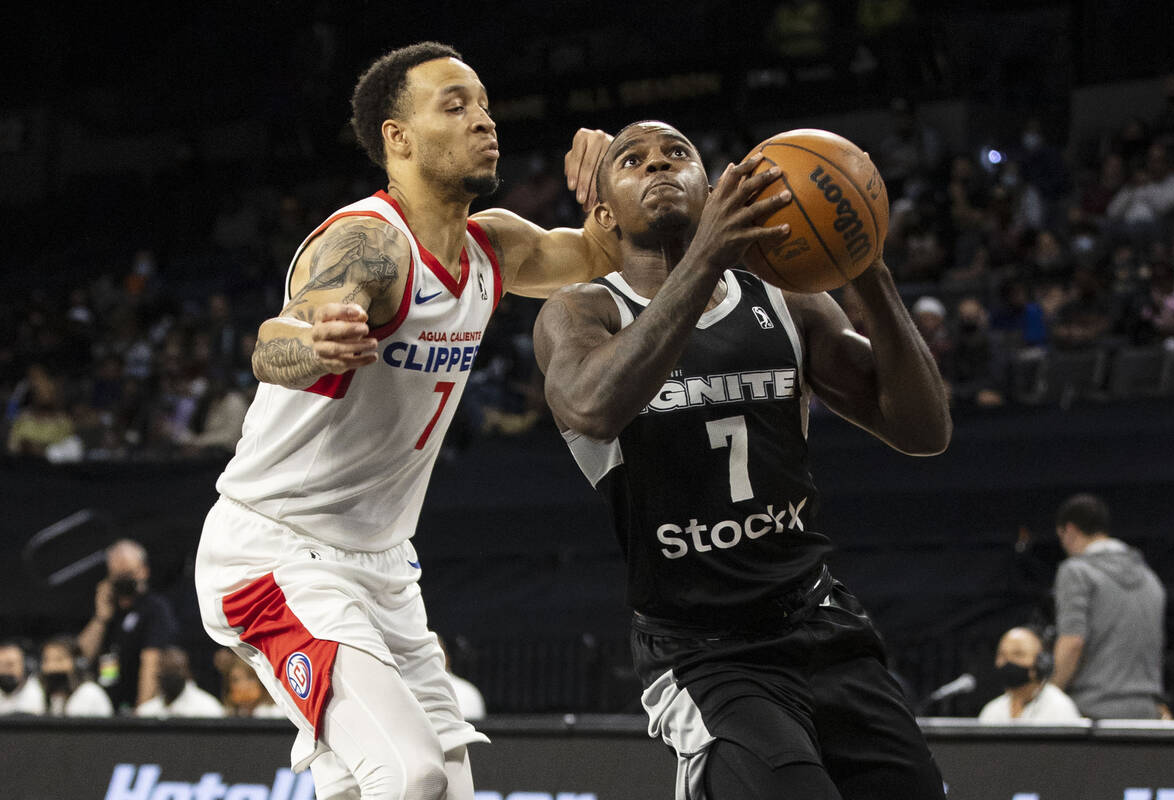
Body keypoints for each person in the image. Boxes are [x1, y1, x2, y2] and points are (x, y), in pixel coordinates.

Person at [194, 42, 616, 800]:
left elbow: (602, 251)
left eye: (484, 103)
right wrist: (314, 340)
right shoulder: (371, 244)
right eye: (454, 107)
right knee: (410, 774)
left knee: (444, 784)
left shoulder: (495, 246)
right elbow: (273, 341)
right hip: (277, 553)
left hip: (384, 566)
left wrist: (614, 180)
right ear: (398, 140)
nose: (483, 120)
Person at [534, 121, 951, 800]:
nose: (660, 165)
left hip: (821, 620)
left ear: (710, 187)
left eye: (678, 154)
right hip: (705, 654)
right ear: (604, 214)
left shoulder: (786, 301)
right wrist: (706, 255)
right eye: (633, 160)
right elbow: (591, 406)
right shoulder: (583, 312)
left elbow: (923, 429)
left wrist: (865, 267)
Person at [1051, 493, 1169, 719]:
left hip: (1093, 712)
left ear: (1070, 530)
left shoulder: (1075, 572)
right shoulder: (1150, 577)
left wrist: (1049, 696)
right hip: (1147, 712)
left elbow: (1072, 641)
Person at [77, 538, 179, 712]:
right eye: (118, 576)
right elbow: (81, 656)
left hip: (137, 705)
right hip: (104, 705)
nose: (124, 581)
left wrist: (141, 713)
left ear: (144, 572)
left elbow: (151, 661)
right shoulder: (105, 609)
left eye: (129, 574)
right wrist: (101, 618)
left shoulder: (154, 608)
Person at [977, 627, 1081, 723]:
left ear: (1041, 663)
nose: (1008, 662)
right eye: (1002, 655)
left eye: (1018, 654)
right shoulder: (992, 711)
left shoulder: (1059, 707)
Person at [135, 648, 224, 718]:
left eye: (175, 670)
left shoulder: (208, 709)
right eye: (166, 670)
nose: (170, 675)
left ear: (187, 672)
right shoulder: (146, 712)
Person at [38, 635, 114, 717]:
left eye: (59, 660)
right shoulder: (40, 692)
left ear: (78, 664)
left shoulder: (89, 692)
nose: (51, 667)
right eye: (46, 660)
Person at [0, 640, 44, 715]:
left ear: (26, 667)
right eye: (0, 666)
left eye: (9, 665)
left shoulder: (38, 690)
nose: (4, 671)